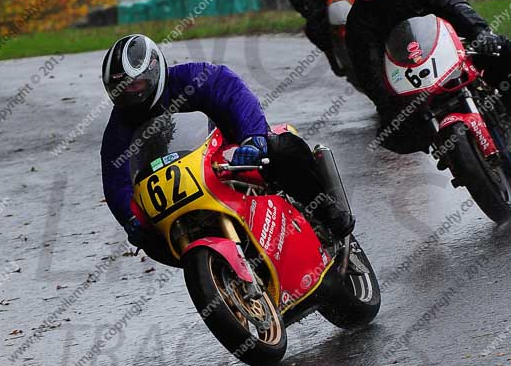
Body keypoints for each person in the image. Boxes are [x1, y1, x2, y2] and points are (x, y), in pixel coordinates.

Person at [100, 34, 354, 251]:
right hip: (182, 185)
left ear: (153, 72)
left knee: (281, 149)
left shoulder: (191, 78)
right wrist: (129, 218)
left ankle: (324, 209)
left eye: (134, 84)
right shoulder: (119, 126)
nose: (129, 93)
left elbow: (234, 94)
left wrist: (253, 139)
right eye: (121, 88)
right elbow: (115, 179)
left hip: (232, 151)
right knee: (149, 240)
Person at [343, 0, 511, 153]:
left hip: (450, 51)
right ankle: (445, 149)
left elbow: (454, 4)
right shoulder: (357, 20)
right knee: (393, 131)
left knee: (503, 51)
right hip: (409, 78)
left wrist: (480, 33)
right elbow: (365, 66)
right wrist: (385, 102)